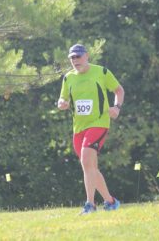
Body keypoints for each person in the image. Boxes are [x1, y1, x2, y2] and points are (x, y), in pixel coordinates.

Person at [58, 44, 125, 215]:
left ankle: (90, 204)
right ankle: (110, 202)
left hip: (99, 123)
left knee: (87, 161)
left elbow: (119, 90)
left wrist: (116, 107)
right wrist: (62, 104)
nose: (75, 60)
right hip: (78, 128)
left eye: (78, 56)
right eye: (72, 57)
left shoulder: (101, 72)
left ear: (87, 56)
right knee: (90, 168)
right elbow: (62, 99)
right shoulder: (68, 78)